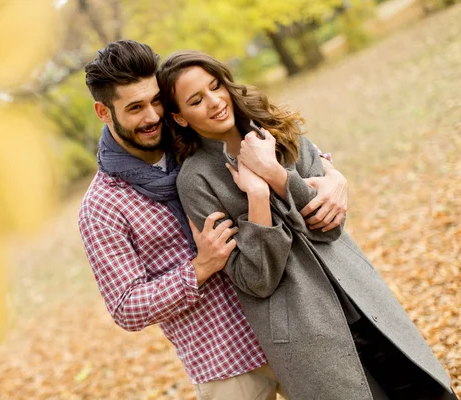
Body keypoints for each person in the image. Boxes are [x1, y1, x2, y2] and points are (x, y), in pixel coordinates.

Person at [156, 50, 457, 400]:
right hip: (304, 332)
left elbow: (329, 227)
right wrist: (256, 199)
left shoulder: (277, 129)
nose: (214, 102)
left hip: (364, 300)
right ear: (179, 118)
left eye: (215, 86)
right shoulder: (195, 181)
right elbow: (255, 279)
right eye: (196, 100)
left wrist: (275, 174)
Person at [78, 40, 349, 400]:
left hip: (294, 326)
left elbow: (265, 143)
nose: (152, 116)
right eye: (135, 108)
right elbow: (126, 306)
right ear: (103, 111)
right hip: (226, 363)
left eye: (156, 100)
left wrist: (332, 174)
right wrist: (198, 268)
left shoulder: (186, 135)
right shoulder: (102, 206)